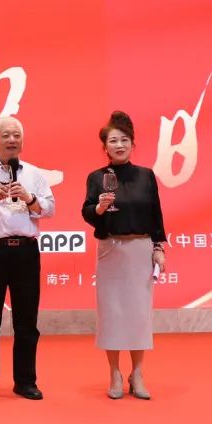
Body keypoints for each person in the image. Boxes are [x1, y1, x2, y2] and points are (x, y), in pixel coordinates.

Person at [0, 116, 55, 401]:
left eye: (16, 135)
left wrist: (30, 198)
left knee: (26, 320)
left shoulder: (34, 174)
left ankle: (25, 381)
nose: (12, 140)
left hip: (25, 252)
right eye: (6, 135)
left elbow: (49, 209)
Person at [81, 110, 167, 400]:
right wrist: (100, 208)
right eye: (113, 141)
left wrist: (158, 248)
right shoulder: (97, 178)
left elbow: (156, 214)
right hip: (111, 250)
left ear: (132, 143)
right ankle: (115, 373)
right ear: (105, 147)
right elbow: (87, 213)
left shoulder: (146, 176)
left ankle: (138, 373)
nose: (119, 145)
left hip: (140, 249)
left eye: (124, 140)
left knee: (139, 314)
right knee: (113, 314)